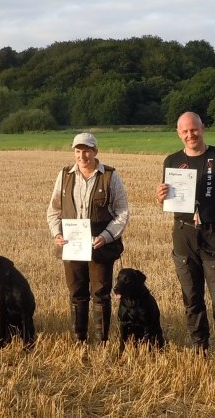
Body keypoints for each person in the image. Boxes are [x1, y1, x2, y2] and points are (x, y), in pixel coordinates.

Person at [155, 112, 215, 355]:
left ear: (203, 128)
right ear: (178, 133)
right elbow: (167, 201)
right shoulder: (172, 161)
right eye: (185, 131)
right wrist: (160, 198)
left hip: (214, 234)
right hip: (183, 235)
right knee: (191, 297)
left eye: (194, 129)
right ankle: (200, 348)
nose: (191, 135)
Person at [46, 133, 130, 343]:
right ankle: (80, 340)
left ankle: (102, 341)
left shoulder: (110, 176)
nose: (82, 156)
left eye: (86, 151)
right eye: (78, 151)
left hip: (99, 245)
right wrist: (57, 233)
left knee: (101, 293)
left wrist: (106, 236)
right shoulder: (64, 175)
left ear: (95, 152)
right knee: (76, 292)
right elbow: (54, 210)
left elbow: (122, 212)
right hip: (72, 245)